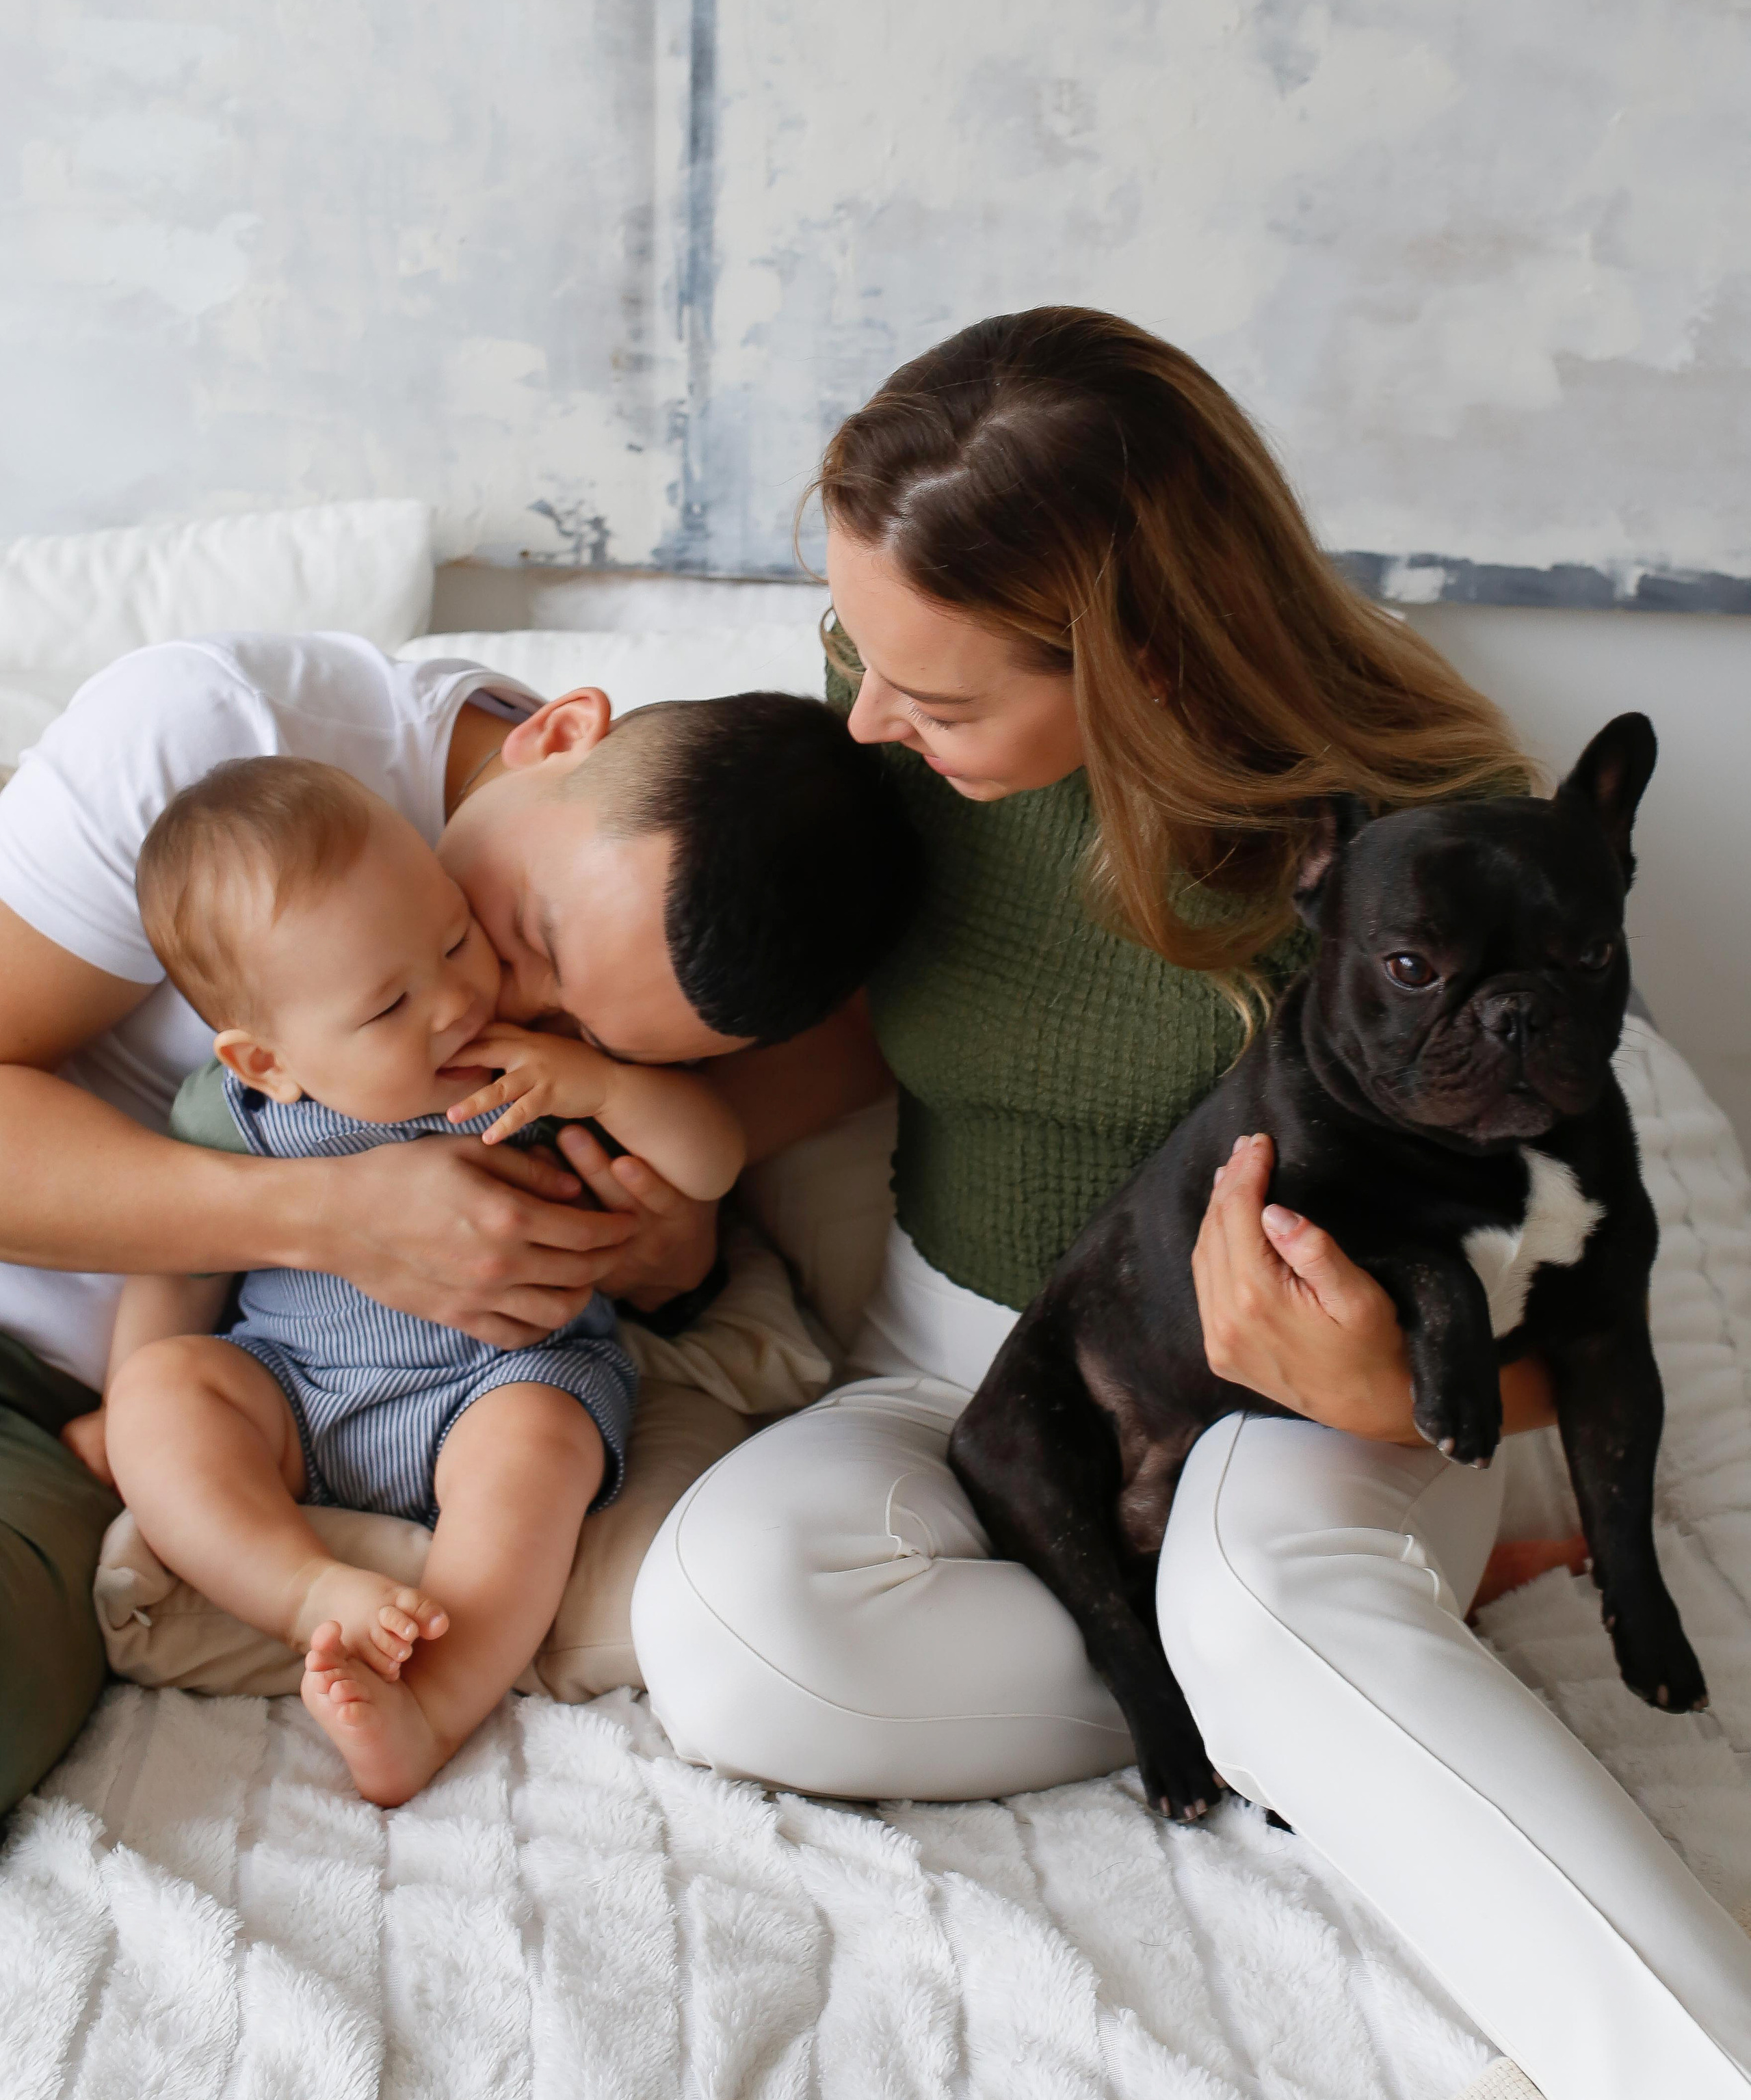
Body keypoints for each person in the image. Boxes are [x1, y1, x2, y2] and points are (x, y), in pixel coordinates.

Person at [630, 308, 1751, 2100]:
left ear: (1139, 652)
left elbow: (1580, 1256)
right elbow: (858, 1029)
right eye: (866, 655)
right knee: (730, 1629)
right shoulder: (905, 723)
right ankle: (1302, 1694)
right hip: (974, 1360)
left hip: (1318, 1407)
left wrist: (1400, 1396)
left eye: (934, 693)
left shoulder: (1422, 846)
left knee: (1260, 1590)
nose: (869, 716)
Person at [0, 636, 912, 1817]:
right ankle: (298, 1582)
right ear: (555, 731)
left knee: (535, 1443)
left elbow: (822, 1070)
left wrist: (673, 1234)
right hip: (152, 1376)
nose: (492, 1009)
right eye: (524, 938)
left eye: (600, 1033)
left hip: (461, 1394)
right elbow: (185, 1281)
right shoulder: (213, 746)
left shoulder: (621, 1008)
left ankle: (434, 1679)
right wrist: (326, 1219)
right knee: (175, 1395)